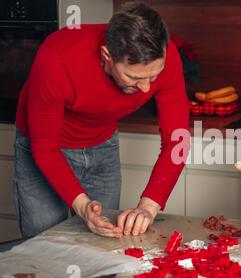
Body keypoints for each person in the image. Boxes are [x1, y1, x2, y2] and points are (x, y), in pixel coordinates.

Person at [13, 3, 190, 238]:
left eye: (154, 76)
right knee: (44, 246)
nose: (146, 88)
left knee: (103, 246)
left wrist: (148, 207)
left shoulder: (166, 57)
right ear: (107, 56)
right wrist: (82, 208)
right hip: (44, 150)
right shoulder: (57, 58)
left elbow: (177, 141)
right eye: (134, 77)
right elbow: (45, 148)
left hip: (102, 144)